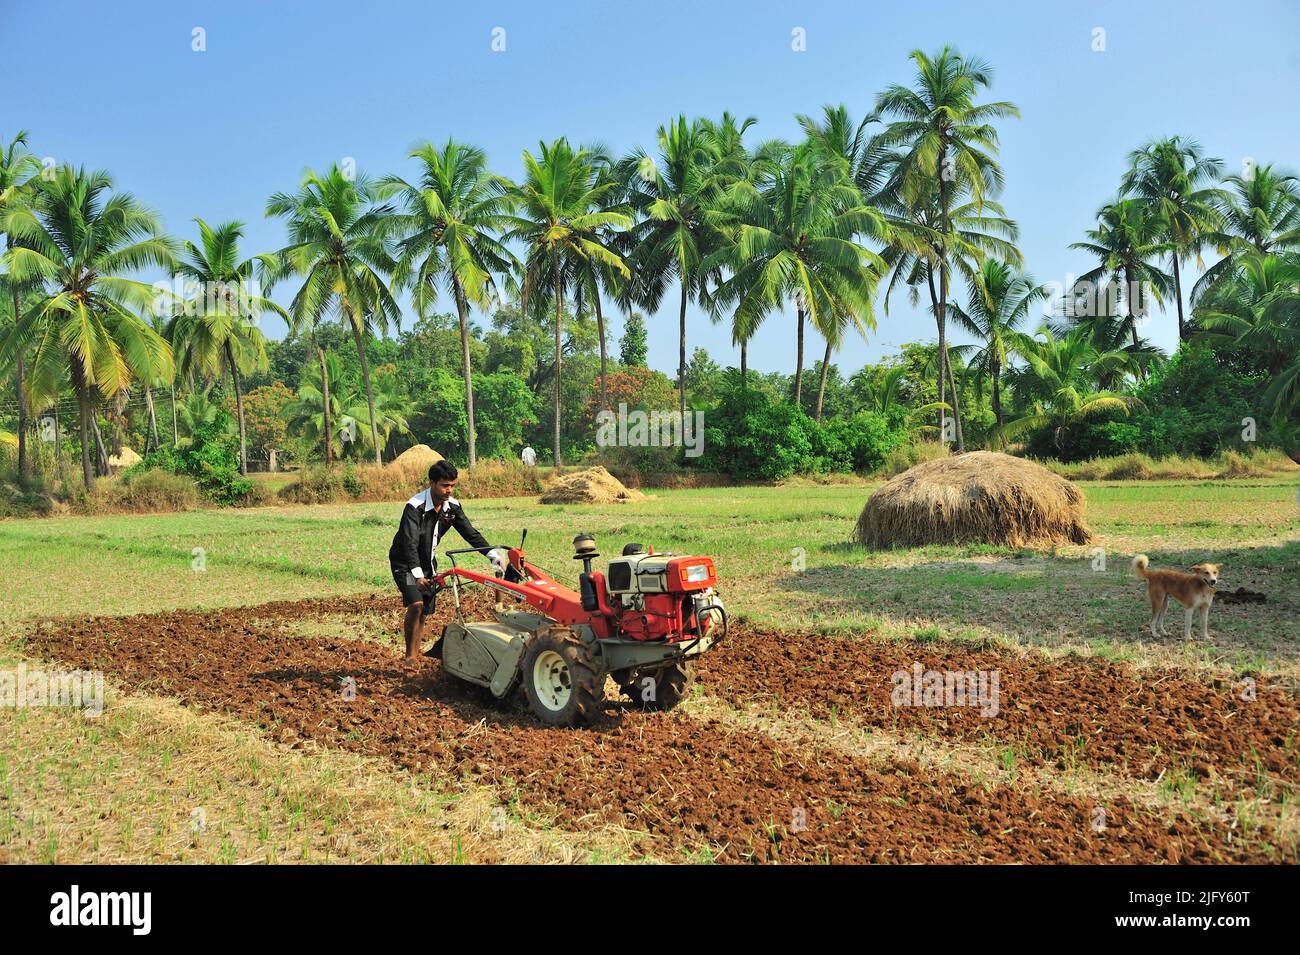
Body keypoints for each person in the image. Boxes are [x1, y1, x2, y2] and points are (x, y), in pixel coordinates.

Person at [388, 460, 504, 659]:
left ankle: (416, 654)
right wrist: (417, 576)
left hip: (427, 562)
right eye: (444, 485)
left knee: (424, 609)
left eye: (452, 485)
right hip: (405, 564)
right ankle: (409, 657)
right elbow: (410, 543)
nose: (449, 490)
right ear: (432, 483)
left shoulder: (452, 507)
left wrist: (493, 555)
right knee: (416, 604)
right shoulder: (415, 507)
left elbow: (471, 534)